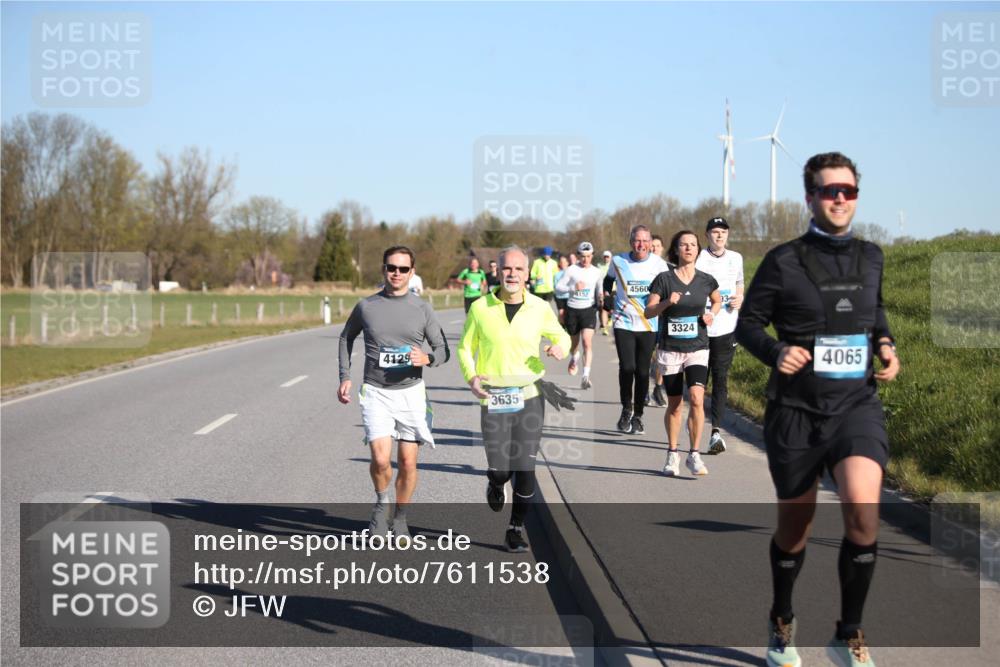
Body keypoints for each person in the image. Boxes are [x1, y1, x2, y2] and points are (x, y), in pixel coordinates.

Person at [735, 152, 900, 667]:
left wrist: (887, 344)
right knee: (796, 526)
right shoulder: (783, 260)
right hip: (797, 411)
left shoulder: (871, 255)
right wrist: (776, 352)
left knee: (862, 513)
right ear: (810, 198)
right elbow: (748, 324)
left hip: (855, 404)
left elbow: (875, 310)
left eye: (848, 191)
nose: (840, 199)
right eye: (830, 191)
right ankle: (781, 621)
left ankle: (848, 633)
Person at [458, 246, 570, 552]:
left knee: (525, 468)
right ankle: (495, 481)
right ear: (497, 271)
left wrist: (560, 347)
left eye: (519, 269)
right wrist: (471, 377)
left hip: (530, 396)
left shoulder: (539, 308)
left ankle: (515, 528)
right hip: (494, 397)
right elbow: (465, 348)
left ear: (528, 274)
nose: (512, 274)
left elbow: (562, 336)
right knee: (501, 469)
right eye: (507, 268)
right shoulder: (481, 308)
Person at [338, 246, 450, 543]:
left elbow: (442, 350)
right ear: (383, 269)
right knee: (380, 459)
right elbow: (346, 337)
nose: (396, 274)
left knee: (409, 463)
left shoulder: (422, 308)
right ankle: (381, 503)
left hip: (411, 394)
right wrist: (345, 377)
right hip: (375, 392)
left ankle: (400, 517)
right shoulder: (366, 306)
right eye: (391, 267)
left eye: (403, 269)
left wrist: (426, 359)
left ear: (412, 272)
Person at [645, 231, 721, 477]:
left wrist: (712, 314)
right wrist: (667, 302)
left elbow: (717, 301)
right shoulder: (664, 279)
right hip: (670, 350)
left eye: (692, 245)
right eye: (683, 245)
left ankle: (695, 454)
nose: (688, 248)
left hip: (698, 347)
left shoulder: (707, 280)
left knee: (697, 399)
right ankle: (672, 454)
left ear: (698, 250)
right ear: (676, 250)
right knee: (676, 405)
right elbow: (648, 312)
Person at [603, 225, 669, 434]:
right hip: (623, 321)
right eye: (637, 240)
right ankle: (626, 409)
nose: (641, 245)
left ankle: (639, 415)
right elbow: (607, 281)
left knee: (642, 372)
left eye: (645, 241)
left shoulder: (659, 265)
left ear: (650, 243)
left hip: (649, 324)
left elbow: (669, 289)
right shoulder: (619, 261)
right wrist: (606, 296)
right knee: (627, 367)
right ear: (631, 242)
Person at [695, 217, 744, 454]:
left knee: (721, 378)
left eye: (723, 232)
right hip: (702, 327)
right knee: (698, 383)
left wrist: (740, 298)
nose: (719, 236)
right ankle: (695, 423)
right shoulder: (698, 258)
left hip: (727, 326)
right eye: (715, 232)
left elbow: (739, 284)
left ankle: (715, 432)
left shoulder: (736, 258)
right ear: (707, 235)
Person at [556, 242, 604, 389]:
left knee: (587, 342)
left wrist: (601, 297)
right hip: (573, 310)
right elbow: (558, 287)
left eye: (588, 256)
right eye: (582, 256)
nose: (585, 260)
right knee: (574, 344)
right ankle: (575, 357)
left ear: (592, 256)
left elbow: (599, 289)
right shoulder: (571, 270)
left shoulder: (597, 272)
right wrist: (572, 288)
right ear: (578, 256)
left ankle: (585, 376)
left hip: (588, 310)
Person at [646, 234, 670, 407]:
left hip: (662, 318)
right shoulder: (643, 267)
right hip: (645, 317)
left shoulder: (669, 269)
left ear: (662, 248)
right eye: (651, 246)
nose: (654, 248)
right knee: (647, 355)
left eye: (657, 246)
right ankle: (644, 389)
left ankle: (658, 388)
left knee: (661, 354)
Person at [598, 250, 614, 335]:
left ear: (610, 258)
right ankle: (604, 326)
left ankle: (609, 320)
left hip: (612, 289)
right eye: (605, 256)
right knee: (602, 307)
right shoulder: (600, 266)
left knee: (610, 309)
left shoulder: (613, 266)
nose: (606, 258)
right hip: (602, 289)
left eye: (607, 257)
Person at [553, 255, 571, 325]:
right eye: (561, 262)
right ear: (559, 264)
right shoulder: (557, 274)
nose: (563, 263)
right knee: (561, 313)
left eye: (564, 262)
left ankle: (567, 325)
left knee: (568, 313)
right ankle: (562, 326)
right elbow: (555, 286)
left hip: (569, 296)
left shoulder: (571, 272)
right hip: (560, 297)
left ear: (567, 263)